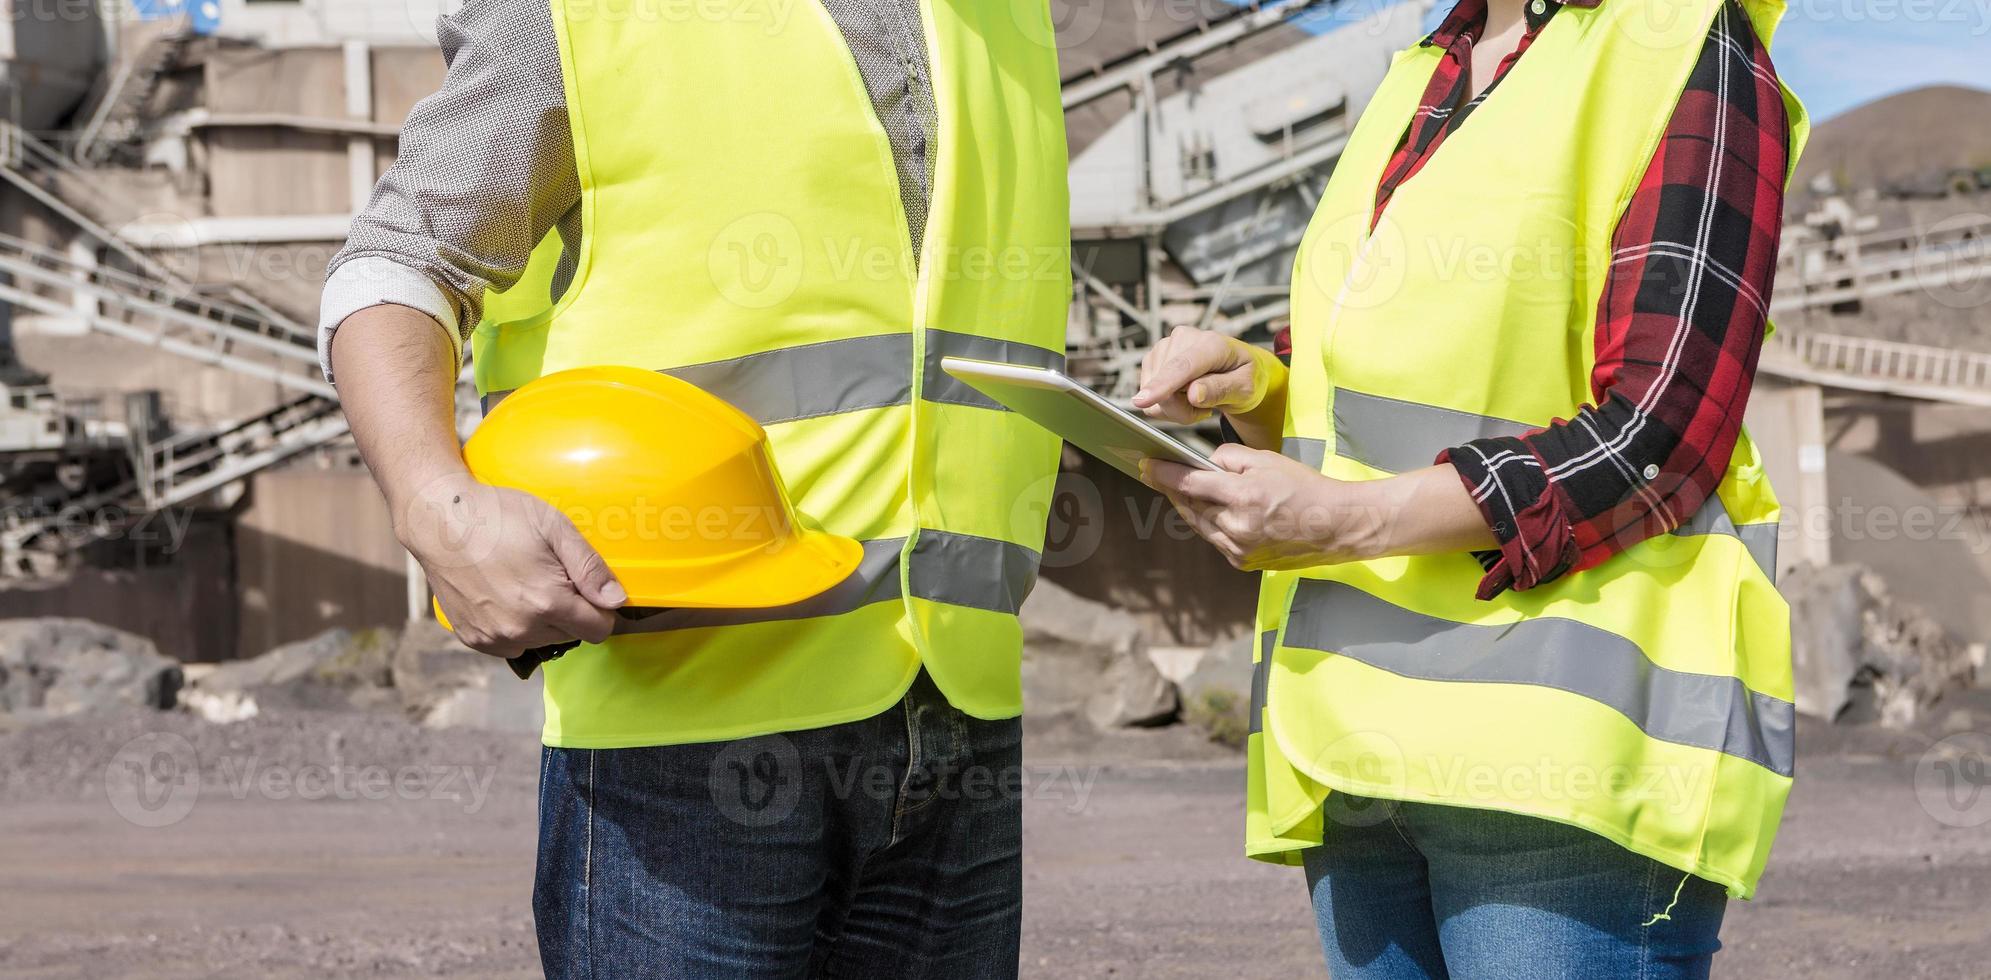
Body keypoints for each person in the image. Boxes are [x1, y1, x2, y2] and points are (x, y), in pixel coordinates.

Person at [318, 1, 1070, 976]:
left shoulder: (1002, 19)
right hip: (684, 721)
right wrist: (431, 500)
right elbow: (399, 260)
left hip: (957, 714)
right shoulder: (580, 14)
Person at [1136, 0, 1801, 975]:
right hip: (1353, 752)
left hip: (1560, 770)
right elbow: (1400, 373)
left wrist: (1339, 520)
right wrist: (1258, 382)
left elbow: (1656, 432)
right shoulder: (1426, 67)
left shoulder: (1678, 42)